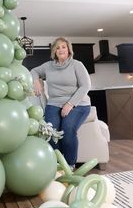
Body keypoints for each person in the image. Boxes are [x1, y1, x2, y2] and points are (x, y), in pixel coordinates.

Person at [31, 37, 91, 168]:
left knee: (67, 129)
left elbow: (85, 86)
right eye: (57, 47)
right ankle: (57, 164)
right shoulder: (48, 66)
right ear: (54, 51)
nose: (60, 49)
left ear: (69, 49)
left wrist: (70, 104)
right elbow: (34, 71)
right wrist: (36, 80)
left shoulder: (77, 64)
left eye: (63, 47)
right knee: (50, 132)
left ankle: (70, 165)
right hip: (54, 103)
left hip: (78, 104)